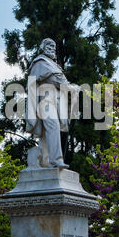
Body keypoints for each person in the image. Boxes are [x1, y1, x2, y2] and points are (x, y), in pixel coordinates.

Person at [26, 38, 79, 169]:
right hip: (45, 101)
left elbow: (61, 82)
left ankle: (45, 160)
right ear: (42, 48)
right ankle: (56, 161)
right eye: (49, 46)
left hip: (56, 100)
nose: (52, 48)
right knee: (53, 126)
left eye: (54, 46)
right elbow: (57, 80)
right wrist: (71, 88)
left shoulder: (54, 65)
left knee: (47, 132)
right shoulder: (40, 62)